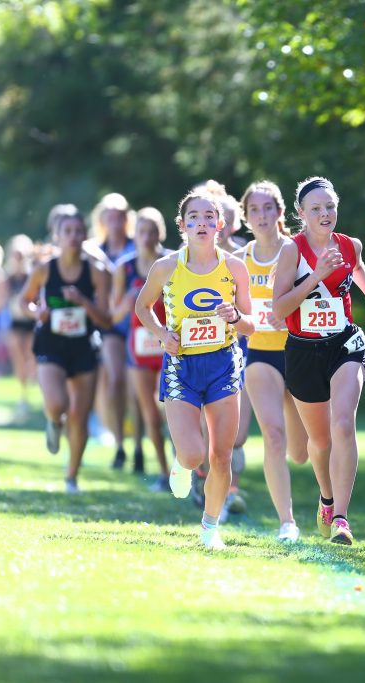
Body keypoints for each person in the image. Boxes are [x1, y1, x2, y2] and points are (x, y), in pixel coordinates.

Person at [134, 186, 254, 550]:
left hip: (223, 364)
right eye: (193, 218)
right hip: (181, 365)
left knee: (222, 454)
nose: (201, 224)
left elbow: (250, 324)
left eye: (208, 217)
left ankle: (210, 527)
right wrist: (161, 335)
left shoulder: (234, 267)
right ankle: (181, 463)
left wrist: (235, 315)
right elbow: (142, 308)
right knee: (193, 454)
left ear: (220, 224)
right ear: (182, 226)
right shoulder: (167, 266)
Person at [271, 176, 365, 545]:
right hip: (304, 350)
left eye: (330, 207)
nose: (325, 214)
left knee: (343, 424)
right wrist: (316, 276)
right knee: (318, 443)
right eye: (316, 208)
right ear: (301, 213)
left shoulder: (350, 244)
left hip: (344, 343)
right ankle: (327, 497)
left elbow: (357, 268)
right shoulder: (292, 250)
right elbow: (280, 307)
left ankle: (341, 518)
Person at [21, 205, 112, 494]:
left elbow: (107, 318)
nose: (73, 236)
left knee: (80, 416)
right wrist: (38, 313)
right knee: (58, 404)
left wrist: (84, 302)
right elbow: (23, 302)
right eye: (67, 231)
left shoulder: (96, 272)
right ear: (57, 236)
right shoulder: (45, 269)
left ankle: (71, 477)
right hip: (51, 343)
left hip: (84, 347)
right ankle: (52, 421)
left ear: (85, 235)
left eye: (78, 231)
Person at [239, 180, 309, 541]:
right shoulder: (240, 260)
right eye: (255, 210)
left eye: (269, 208)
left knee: (300, 451)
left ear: (281, 212)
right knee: (274, 436)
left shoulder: (296, 252)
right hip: (261, 355)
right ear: (245, 216)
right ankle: (287, 522)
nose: (262, 216)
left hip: (297, 351)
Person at [188, 182, 252, 518]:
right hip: (198, 355)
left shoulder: (242, 256)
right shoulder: (188, 258)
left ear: (229, 221)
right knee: (204, 431)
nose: (209, 223)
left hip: (238, 349)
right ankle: (206, 480)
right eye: (203, 216)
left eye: (218, 216)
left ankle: (229, 488)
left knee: (235, 434)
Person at [112, 207, 171, 491]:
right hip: (137, 348)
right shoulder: (123, 267)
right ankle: (162, 472)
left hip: (169, 345)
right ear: (134, 234)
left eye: (152, 231)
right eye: (142, 231)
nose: (147, 237)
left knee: (170, 409)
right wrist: (124, 303)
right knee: (148, 412)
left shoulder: (172, 261)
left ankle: (186, 466)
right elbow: (112, 315)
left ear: (161, 233)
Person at [91, 192, 142, 472]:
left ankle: (137, 445)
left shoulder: (139, 246)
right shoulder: (95, 251)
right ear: (102, 220)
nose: (115, 222)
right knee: (114, 380)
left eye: (120, 216)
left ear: (127, 219)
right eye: (109, 216)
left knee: (138, 389)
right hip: (110, 325)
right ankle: (119, 443)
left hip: (138, 325)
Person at [1, 234, 38, 420]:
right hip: (15, 322)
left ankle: (31, 386)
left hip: (31, 321)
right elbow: (2, 299)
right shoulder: (7, 278)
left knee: (31, 356)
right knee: (18, 356)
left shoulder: (32, 275)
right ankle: (23, 394)